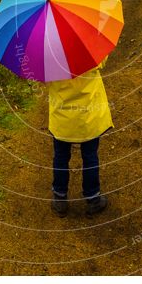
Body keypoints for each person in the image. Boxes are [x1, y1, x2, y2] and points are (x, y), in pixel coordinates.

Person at [47, 57, 112, 218]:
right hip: (88, 117)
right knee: (90, 156)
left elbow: (43, 80)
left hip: (62, 120)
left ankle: (60, 198)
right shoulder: (89, 52)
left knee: (61, 157)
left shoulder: (47, 56)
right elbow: (103, 59)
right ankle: (93, 199)